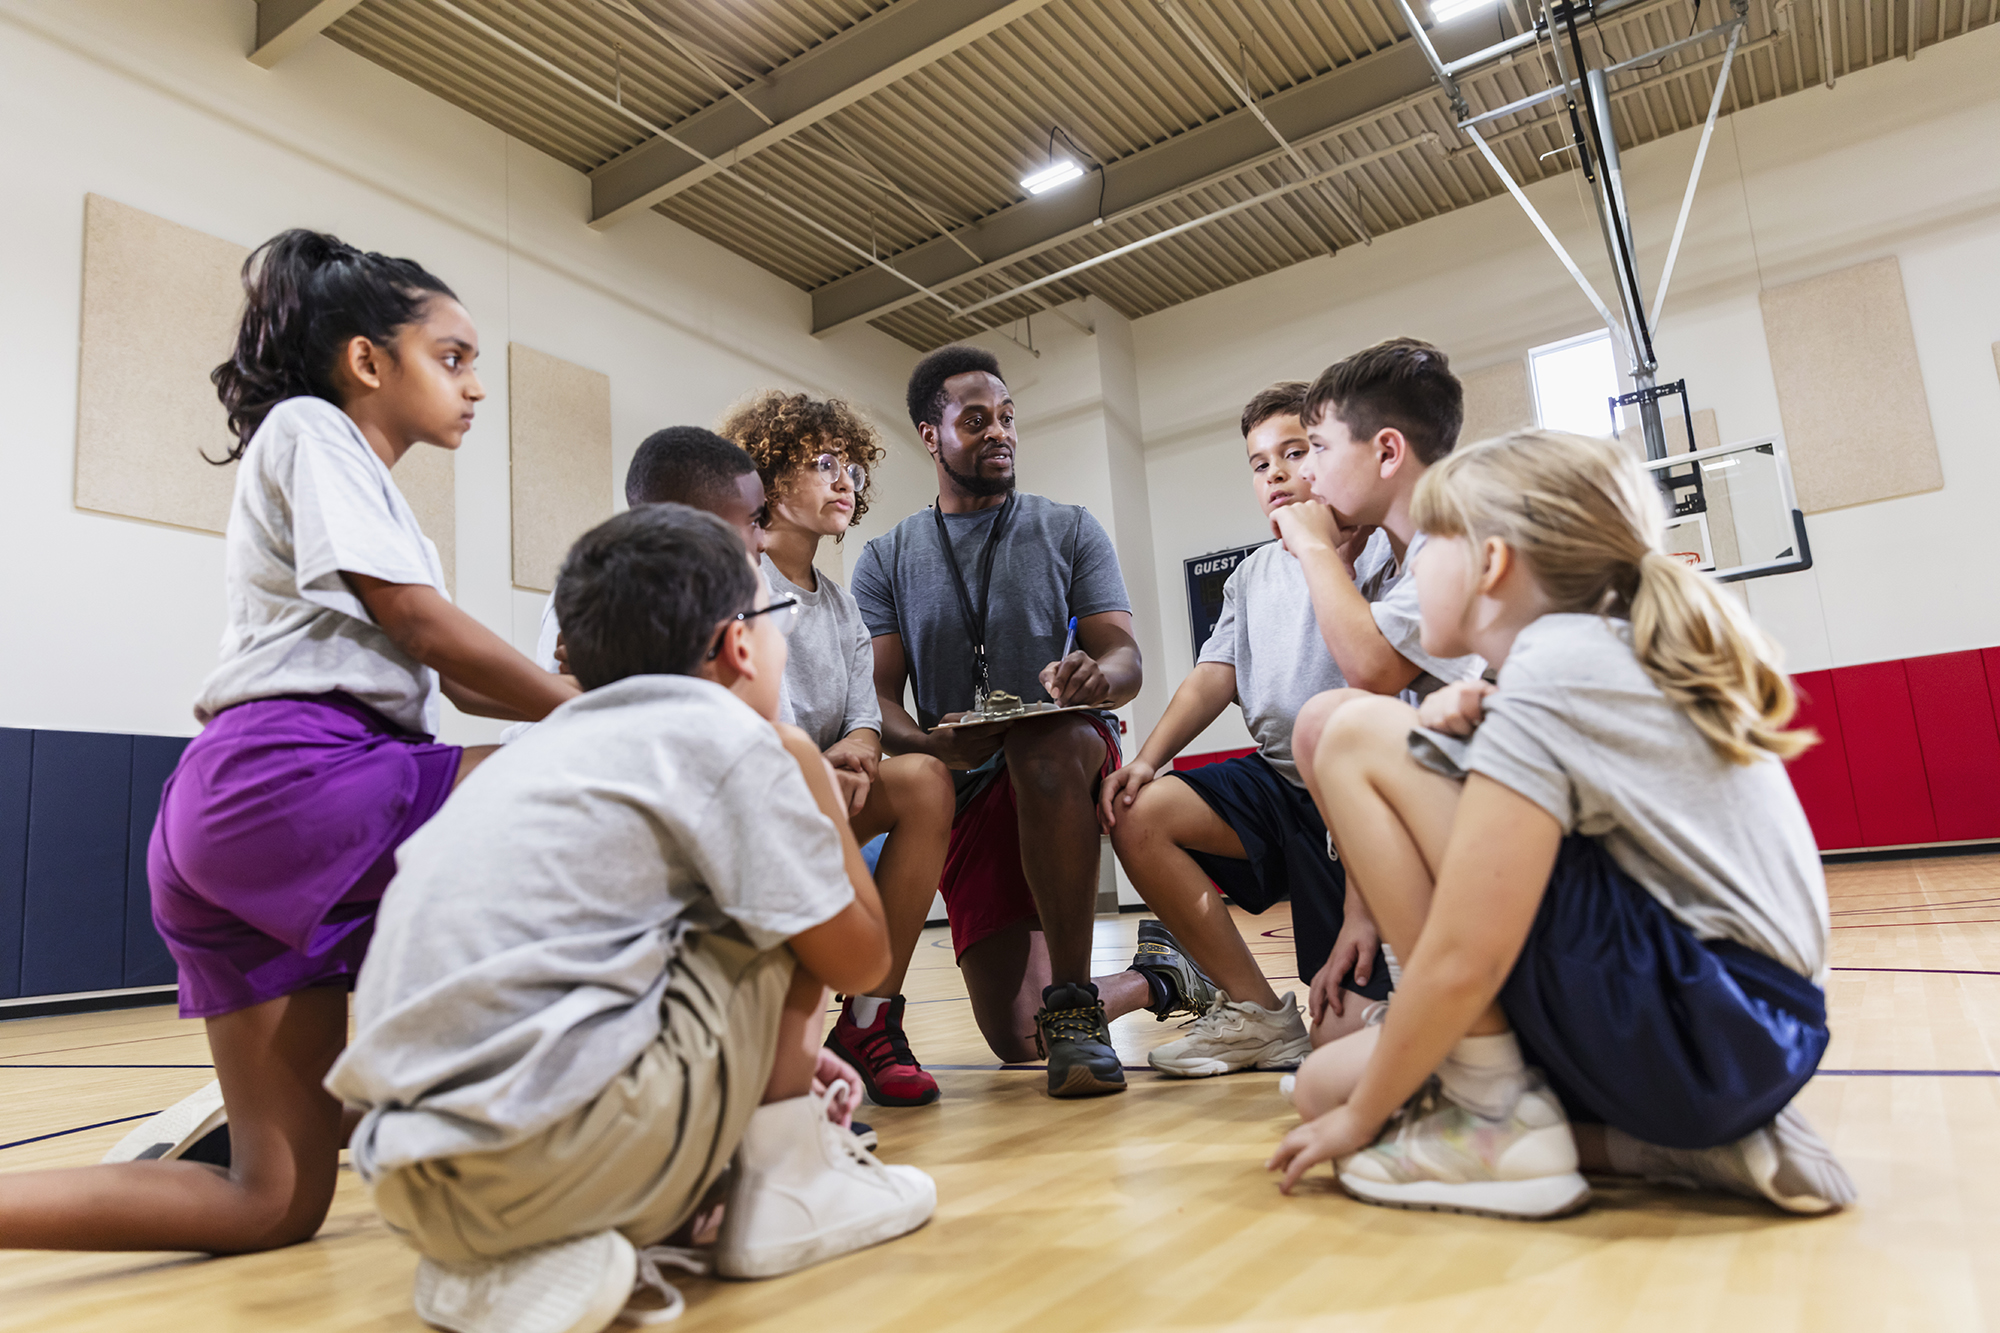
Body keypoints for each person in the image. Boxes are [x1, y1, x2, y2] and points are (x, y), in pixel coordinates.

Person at [0, 229, 577, 1255]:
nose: (476, 386)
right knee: (593, 772)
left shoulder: (365, 486)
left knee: (271, 1201)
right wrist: (589, 709)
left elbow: (444, 667)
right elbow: (425, 630)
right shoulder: (313, 429)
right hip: (294, 778)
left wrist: (555, 695)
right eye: (452, 357)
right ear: (366, 359)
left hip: (238, 816)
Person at [328, 505, 936, 1331]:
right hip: (567, 1158)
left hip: (406, 1184)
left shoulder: (527, 755)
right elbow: (861, 960)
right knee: (776, 908)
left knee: (728, 899)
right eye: (775, 619)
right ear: (737, 644)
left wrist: (765, 1063)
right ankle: (792, 1186)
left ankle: (507, 1255)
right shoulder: (733, 737)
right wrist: (812, 782)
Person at [1267, 430, 1855, 1221]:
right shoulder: (1586, 654)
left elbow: (1468, 949)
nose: (1412, 568)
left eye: (1429, 544)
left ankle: (1489, 1109)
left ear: (1492, 563)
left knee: (1351, 733)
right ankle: (1682, 1146)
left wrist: (1366, 1118)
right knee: (1319, 1084)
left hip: (1705, 1022)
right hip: (1735, 1041)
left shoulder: (1555, 667)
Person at [852, 345, 1213, 1099]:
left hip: (1065, 757)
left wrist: (1096, 676)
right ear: (931, 434)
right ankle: (1158, 976)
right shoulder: (886, 558)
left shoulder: (1070, 527)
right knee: (1017, 1040)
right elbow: (878, 699)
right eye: (976, 419)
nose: (1000, 433)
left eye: (1008, 418)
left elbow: (1125, 658)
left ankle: (1076, 1004)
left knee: (1045, 743)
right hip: (966, 779)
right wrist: (931, 744)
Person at [1101, 377, 1473, 1081]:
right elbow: (1215, 674)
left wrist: (1320, 550)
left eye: (1296, 451)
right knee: (1139, 811)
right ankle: (1257, 1013)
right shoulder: (1252, 572)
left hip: (1359, 791)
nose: (1274, 473)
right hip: (1277, 782)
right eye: (1258, 461)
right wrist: (1148, 758)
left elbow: (1373, 669)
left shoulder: (1382, 549)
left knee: (1343, 1030)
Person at [722, 390, 957, 1108]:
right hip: (752, 805)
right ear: (766, 477)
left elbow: (866, 712)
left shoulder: (842, 600)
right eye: (823, 463)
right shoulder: (739, 578)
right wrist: (818, 766)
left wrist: (857, 750)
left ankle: (867, 1019)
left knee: (924, 780)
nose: (845, 479)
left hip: (827, 792)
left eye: (852, 466)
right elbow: (761, 715)